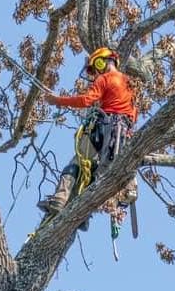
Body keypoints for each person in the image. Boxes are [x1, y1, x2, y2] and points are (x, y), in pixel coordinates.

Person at [39, 47, 139, 219]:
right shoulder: (130, 84)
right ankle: (86, 213)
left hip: (103, 128)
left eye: (98, 65)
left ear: (106, 60)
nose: (98, 71)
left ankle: (60, 200)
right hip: (121, 132)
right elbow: (133, 114)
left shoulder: (105, 79)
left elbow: (86, 100)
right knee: (101, 169)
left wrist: (58, 100)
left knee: (77, 162)